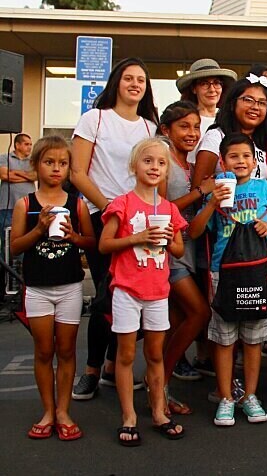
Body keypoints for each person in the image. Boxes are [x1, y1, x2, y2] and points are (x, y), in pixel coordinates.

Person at [70, 57, 158, 401]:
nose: (135, 84)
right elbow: (77, 173)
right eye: (128, 78)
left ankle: (112, 366)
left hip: (141, 219)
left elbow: (154, 175)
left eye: (141, 79)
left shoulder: (150, 127)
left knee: (136, 294)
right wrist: (111, 208)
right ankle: (90, 370)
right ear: (116, 83)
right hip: (104, 215)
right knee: (109, 294)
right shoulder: (95, 118)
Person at [189, 133, 267, 425]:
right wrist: (210, 201)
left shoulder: (264, 188)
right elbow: (194, 232)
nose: (240, 161)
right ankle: (226, 395)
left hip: (257, 269)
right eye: (233, 156)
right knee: (225, 337)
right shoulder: (214, 191)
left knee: (253, 338)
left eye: (246, 156)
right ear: (222, 161)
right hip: (224, 270)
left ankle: (250, 395)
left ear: (254, 160)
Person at [99, 138, 187, 445]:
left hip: (158, 290)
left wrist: (165, 239)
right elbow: (104, 245)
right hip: (126, 288)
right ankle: (129, 415)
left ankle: (159, 411)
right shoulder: (121, 204)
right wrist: (137, 237)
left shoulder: (169, 208)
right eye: (148, 161)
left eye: (161, 163)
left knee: (154, 353)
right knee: (125, 354)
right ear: (134, 165)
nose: (154, 167)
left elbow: (177, 248)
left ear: (166, 172)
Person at [10, 136, 94, 441]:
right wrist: (39, 228)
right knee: (44, 351)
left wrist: (74, 237)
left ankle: (63, 411)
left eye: (62, 163)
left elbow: (92, 242)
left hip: (70, 286)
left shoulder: (77, 203)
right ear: (35, 166)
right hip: (38, 288)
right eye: (49, 162)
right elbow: (15, 247)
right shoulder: (25, 204)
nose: (56, 169)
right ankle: (47, 410)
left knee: (67, 350)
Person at [158, 102, 214, 413]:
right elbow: (160, 207)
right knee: (199, 313)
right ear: (166, 130)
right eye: (184, 126)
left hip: (188, 250)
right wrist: (199, 192)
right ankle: (160, 382)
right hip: (168, 253)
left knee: (176, 320)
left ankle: (161, 387)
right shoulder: (163, 158)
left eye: (195, 127)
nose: (192, 133)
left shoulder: (188, 163)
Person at [0, 132, 35, 293]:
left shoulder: (33, 161)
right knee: (7, 246)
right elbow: (3, 175)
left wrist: (15, 174)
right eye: (26, 144)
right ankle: (7, 285)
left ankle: (23, 284)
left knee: (27, 242)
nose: (29, 147)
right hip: (7, 207)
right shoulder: (4, 157)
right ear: (17, 145)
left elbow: (35, 175)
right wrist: (26, 176)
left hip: (29, 208)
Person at [176, 58, 237, 135]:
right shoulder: (186, 120)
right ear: (193, 89)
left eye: (216, 83)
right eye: (204, 84)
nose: (212, 89)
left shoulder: (230, 119)